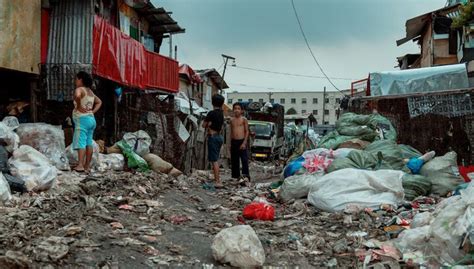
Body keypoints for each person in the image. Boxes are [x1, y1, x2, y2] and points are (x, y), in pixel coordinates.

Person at [72, 71, 102, 173]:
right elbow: (99, 102)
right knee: (89, 142)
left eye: (76, 79)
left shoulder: (80, 89)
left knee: (81, 142)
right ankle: (87, 166)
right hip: (91, 120)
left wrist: (79, 106)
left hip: (82, 120)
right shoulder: (90, 92)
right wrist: (92, 111)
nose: (75, 81)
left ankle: (80, 165)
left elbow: (77, 96)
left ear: (80, 80)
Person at [202, 94, 225, 187]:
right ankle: (216, 178)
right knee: (216, 159)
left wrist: (208, 124)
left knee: (214, 160)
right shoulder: (221, 114)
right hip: (219, 137)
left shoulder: (211, 113)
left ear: (212, 102)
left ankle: (217, 181)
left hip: (213, 137)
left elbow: (203, 125)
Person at [230, 102, 250, 180]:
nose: (236, 110)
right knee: (234, 160)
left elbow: (247, 131)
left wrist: (244, 143)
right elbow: (231, 132)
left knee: (244, 160)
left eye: (238, 109)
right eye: (235, 109)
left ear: (241, 111)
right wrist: (230, 143)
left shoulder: (244, 119)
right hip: (234, 141)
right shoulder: (232, 120)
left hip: (242, 141)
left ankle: (245, 176)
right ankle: (235, 176)